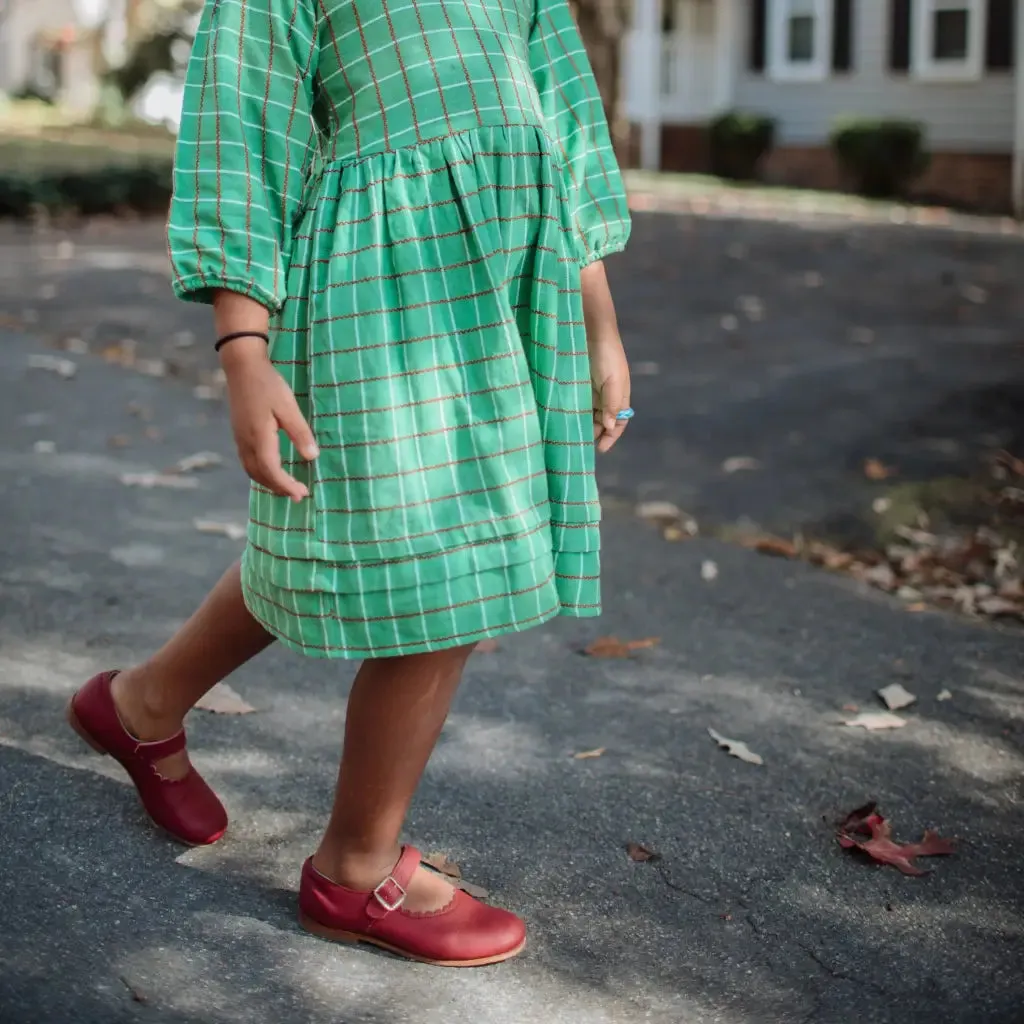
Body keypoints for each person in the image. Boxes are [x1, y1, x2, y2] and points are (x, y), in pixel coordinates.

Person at [67, 0, 631, 968]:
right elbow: (241, 134)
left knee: (338, 538)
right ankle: (353, 867)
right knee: (441, 570)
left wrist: (600, 325)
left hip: (508, 288)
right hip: (380, 284)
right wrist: (244, 348)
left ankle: (142, 704)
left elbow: (566, 131)